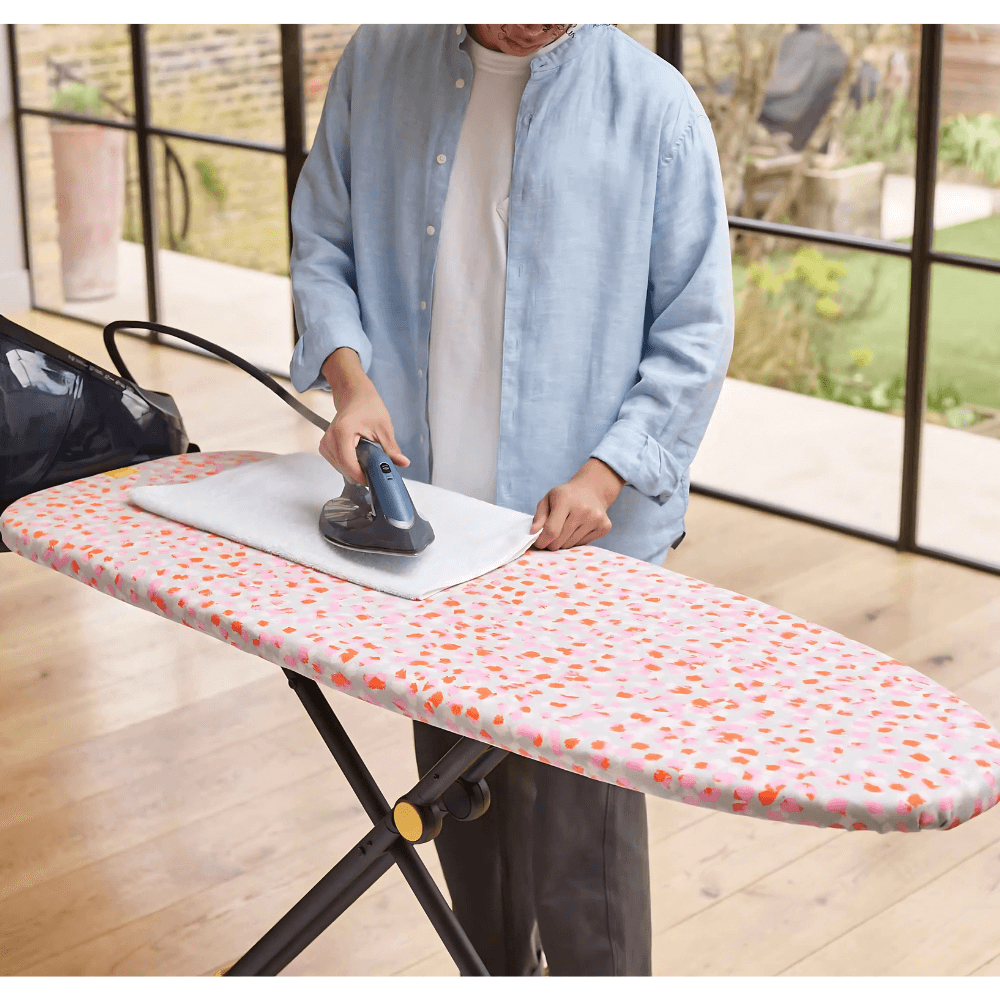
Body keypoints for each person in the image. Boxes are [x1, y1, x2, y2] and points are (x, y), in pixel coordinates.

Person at [288, 23, 734, 976]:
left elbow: (695, 330)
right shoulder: (379, 64)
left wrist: (606, 473)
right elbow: (323, 241)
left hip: (581, 543)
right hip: (433, 530)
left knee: (583, 837)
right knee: (460, 804)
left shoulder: (654, 108)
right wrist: (350, 384)